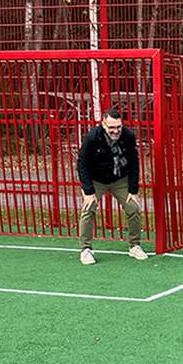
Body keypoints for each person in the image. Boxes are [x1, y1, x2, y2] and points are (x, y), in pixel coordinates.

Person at [76, 108, 147, 265]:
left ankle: (134, 246)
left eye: (118, 127)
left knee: (133, 208)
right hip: (96, 179)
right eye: (111, 127)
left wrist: (133, 190)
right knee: (88, 209)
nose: (115, 131)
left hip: (120, 178)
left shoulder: (128, 136)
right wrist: (88, 191)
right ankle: (86, 249)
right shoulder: (92, 137)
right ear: (103, 125)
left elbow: (134, 162)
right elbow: (82, 163)